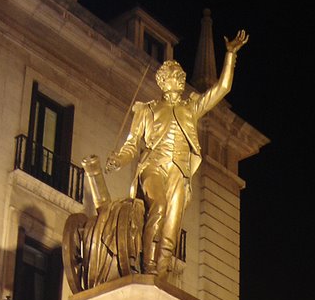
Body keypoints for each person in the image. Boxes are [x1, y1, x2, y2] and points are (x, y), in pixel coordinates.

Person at [105, 31, 248, 278]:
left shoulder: (190, 109)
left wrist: (230, 55)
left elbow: (222, 88)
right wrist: (118, 158)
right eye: (175, 76)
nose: (180, 79)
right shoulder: (147, 110)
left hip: (179, 172)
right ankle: (148, 265)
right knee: (158, 206)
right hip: (154, 167)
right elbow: (131, 144)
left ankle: (161, 275)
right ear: (163, 81)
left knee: (172, 225)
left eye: (181, 76)